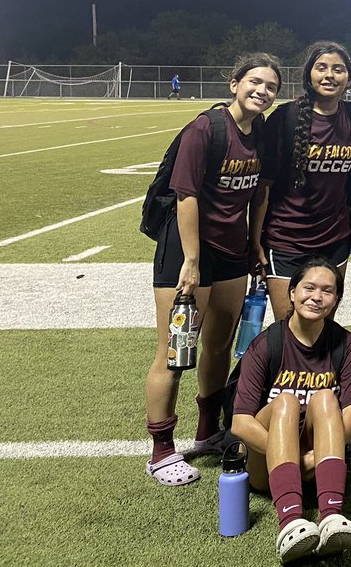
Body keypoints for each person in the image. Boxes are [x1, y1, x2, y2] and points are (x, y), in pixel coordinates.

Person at [144, 53, 281, 486]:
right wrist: (191, 260)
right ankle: (161, 451)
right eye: (254, 82)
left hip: (231, 252)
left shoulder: (260, 132)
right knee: (175, 351)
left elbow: (259, 193)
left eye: (271, 86)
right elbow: (186, 196)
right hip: (188, 252)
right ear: (234, 84)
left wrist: (254, 243)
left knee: (220, 344)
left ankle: (207, 432)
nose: (262, 91)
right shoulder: (206, 129)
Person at [231, 258, 351, 562]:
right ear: (291, 293)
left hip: (318, 457)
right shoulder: (267, 344)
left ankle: (331, 516)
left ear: (336, 300)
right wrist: (293, 458)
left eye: (327, 291)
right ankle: (289, 522)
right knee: (286, 401)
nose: (317, 297)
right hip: (267, 462)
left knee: (326, 398)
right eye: (309, 288)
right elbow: (240, 423)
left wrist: (314, 456)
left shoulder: (346, 344)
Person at [253, 42, 351, 320]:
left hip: (334, 239)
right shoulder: (285, 117)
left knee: (323, 326)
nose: (329, 75)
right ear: (309, 74)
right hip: (287, 239)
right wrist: (254, 240)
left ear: (348, 77)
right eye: (321, 68)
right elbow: (263, 187)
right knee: (288, 329)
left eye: (338, 69)